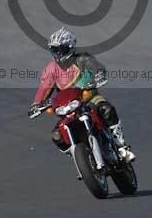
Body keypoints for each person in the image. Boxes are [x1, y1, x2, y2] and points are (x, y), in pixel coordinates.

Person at [29, 27, 135, 162]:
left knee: (106, 109)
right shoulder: (50, 69)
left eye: (62, 49)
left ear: (70, 48)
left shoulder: (83, 59)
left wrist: (99, 75)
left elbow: (96, 66)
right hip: (68, 107)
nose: (58, 53)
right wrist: (36, 104)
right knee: (57, 135)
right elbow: (44, 87)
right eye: (55, 50)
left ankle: (121, 145)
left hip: (89, 98)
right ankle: (79, 155)